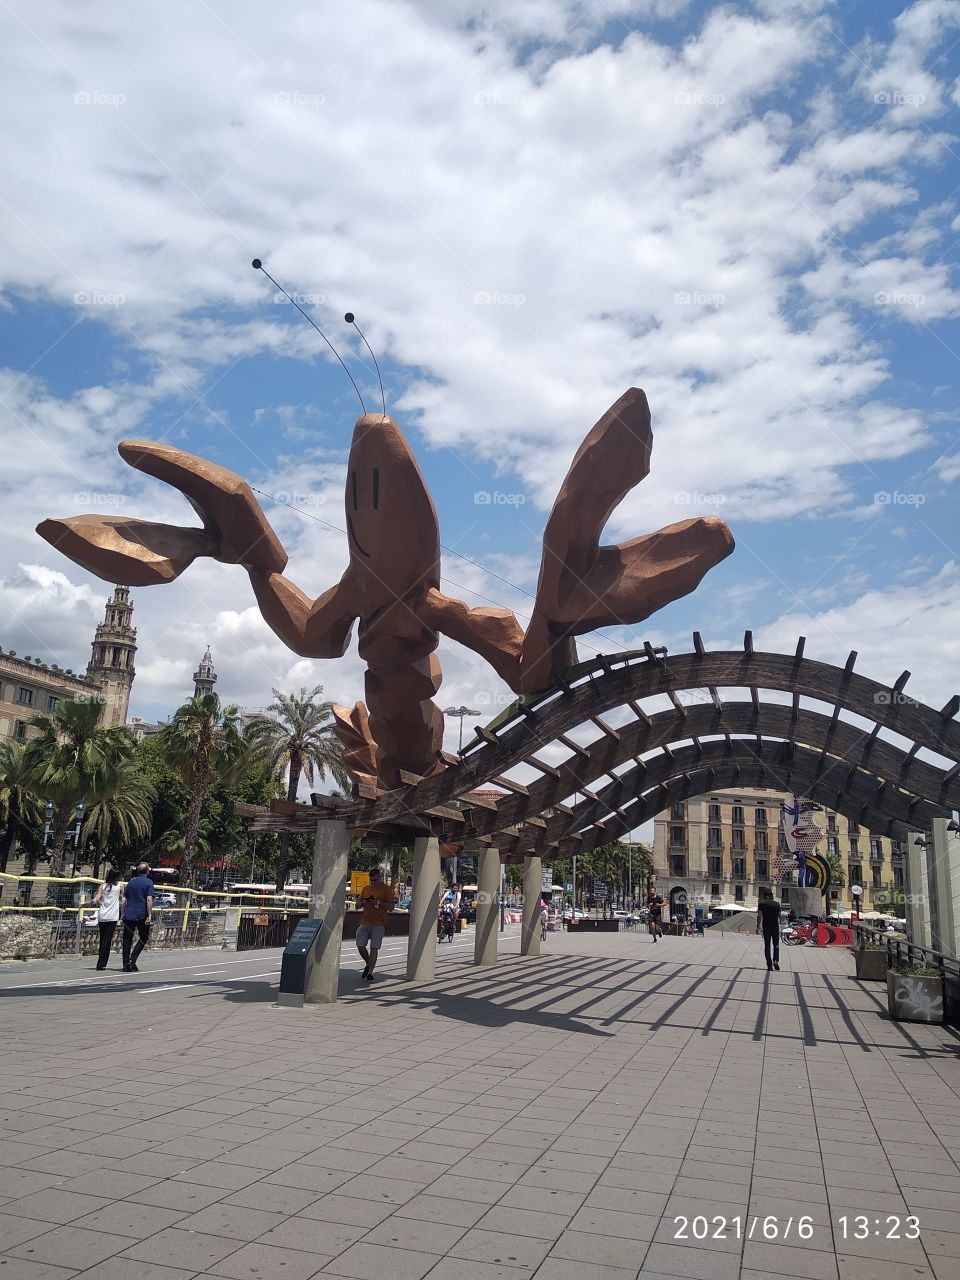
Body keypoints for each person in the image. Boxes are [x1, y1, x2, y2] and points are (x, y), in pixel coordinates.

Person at [356, 868, 393, 982]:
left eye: (375, 880)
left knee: (374, 947)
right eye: (371, 880)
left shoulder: (386, 890)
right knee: (360, 945)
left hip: (379, 923)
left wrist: (379, 903)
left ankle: (370, 973)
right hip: (365, 921)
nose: (373, 882)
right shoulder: (366, 889)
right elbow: (357, 905)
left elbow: (391, 907)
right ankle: (368, 964)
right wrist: (363, 903)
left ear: (380, 877)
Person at [121, 862, 155, 973]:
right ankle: (132, 959)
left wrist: (122, 913)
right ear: (147, 871)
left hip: (129, 915)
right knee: (144, 937)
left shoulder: (131, 882)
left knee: (127, 939)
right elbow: (149, 900)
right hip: (142, 915)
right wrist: (149, 914)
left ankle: (126, 963)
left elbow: (123, 900)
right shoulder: (149, 883)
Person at [92, 868, 121, 970]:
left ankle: (100, 961)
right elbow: (123, 899)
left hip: (102, 915)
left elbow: (97, 898)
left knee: (103, 939)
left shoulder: (103, 886)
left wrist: (93, 900)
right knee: (107, 940)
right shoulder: (119, 886)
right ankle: (102, 963)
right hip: (112, 916)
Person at [756, 889, 782, 971]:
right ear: (771, 895)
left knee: (767, 946)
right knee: (776, 945)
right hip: (775, 927)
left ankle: (769, 964)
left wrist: (758, 926)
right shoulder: (777, 904)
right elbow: (779, 916)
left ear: (765, 896)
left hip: (766, 927)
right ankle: (775, 961)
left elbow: (759, 915)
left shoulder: (762, 904)